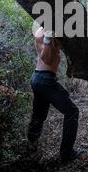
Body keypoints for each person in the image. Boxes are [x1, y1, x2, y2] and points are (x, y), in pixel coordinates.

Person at [27, 27, 82, 162]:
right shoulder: (41, 33)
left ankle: (30, 146)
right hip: (44, 79)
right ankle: (66, 153)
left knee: (39, 115)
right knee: (72, 111)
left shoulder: (54, 29)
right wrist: (47, 38)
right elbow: (46, 58)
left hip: (40, 78)